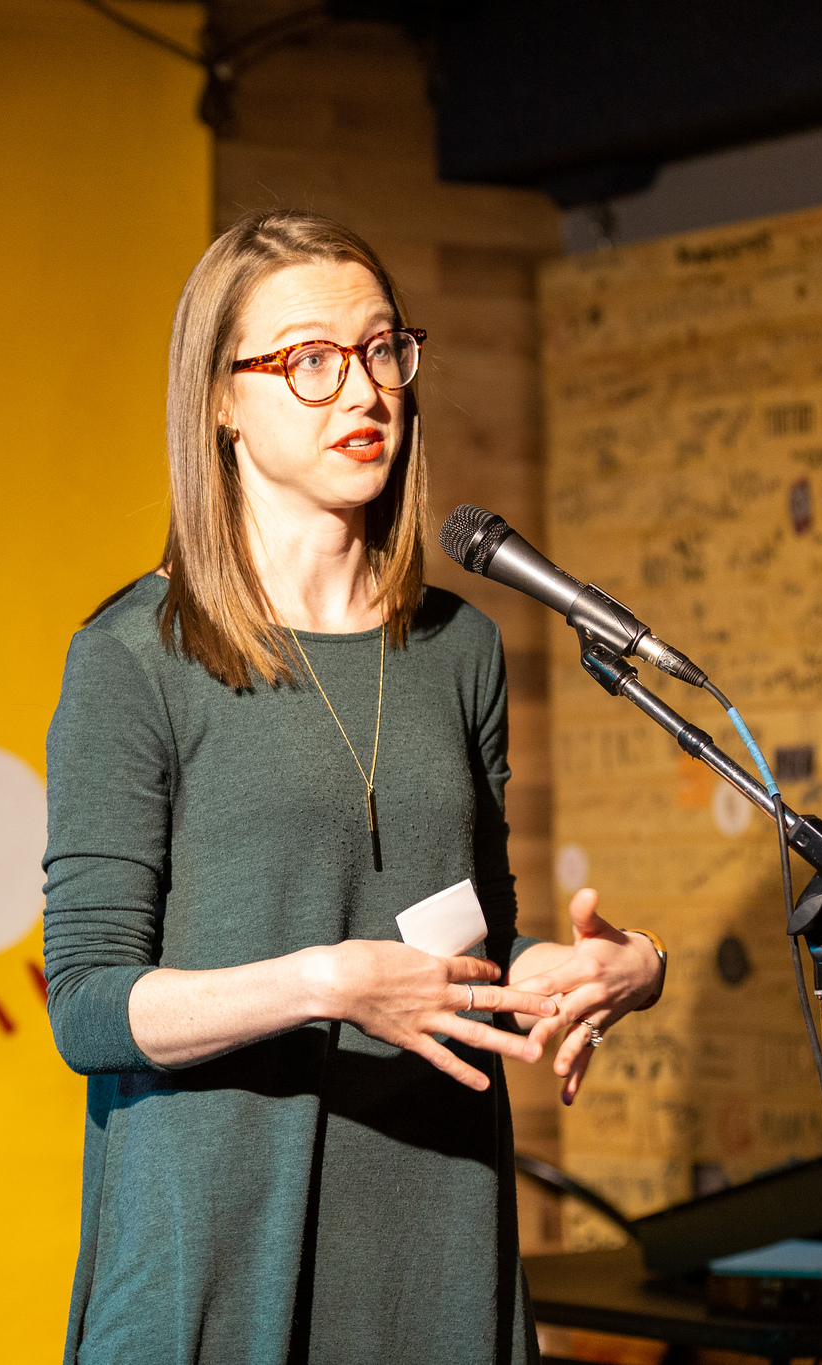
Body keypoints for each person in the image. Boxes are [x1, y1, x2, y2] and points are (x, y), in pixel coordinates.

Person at [42, 208, 666, 1365]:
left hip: (432, 1245)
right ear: (221, 400)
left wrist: (602, 973)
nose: (361, 392)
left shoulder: (457, 652)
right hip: (218, 1256)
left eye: (382, 351)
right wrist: (324, 983)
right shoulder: (134, 658)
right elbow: (86, 1006)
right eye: (308, 361)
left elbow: (477, 940)